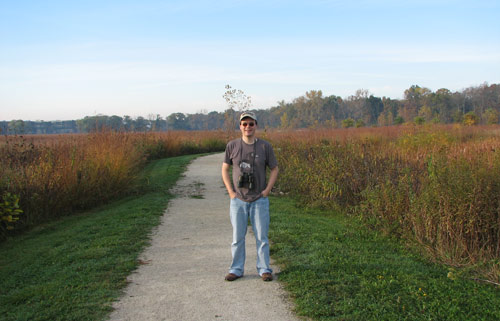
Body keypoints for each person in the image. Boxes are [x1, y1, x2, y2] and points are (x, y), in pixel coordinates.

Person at [221, 111, 279, 282]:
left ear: (256, 126)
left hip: (259, 199)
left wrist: (267, 190)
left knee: (262, 237)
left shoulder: (265, 147)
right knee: (237, 237)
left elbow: (275, 168)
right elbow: (225, 168)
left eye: (251, 124)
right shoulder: (232, 146)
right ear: (240, 126)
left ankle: (264, 269)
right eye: (244, 124)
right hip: (238, 200)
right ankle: (236, 269)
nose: (248, 127)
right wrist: (231, 192)